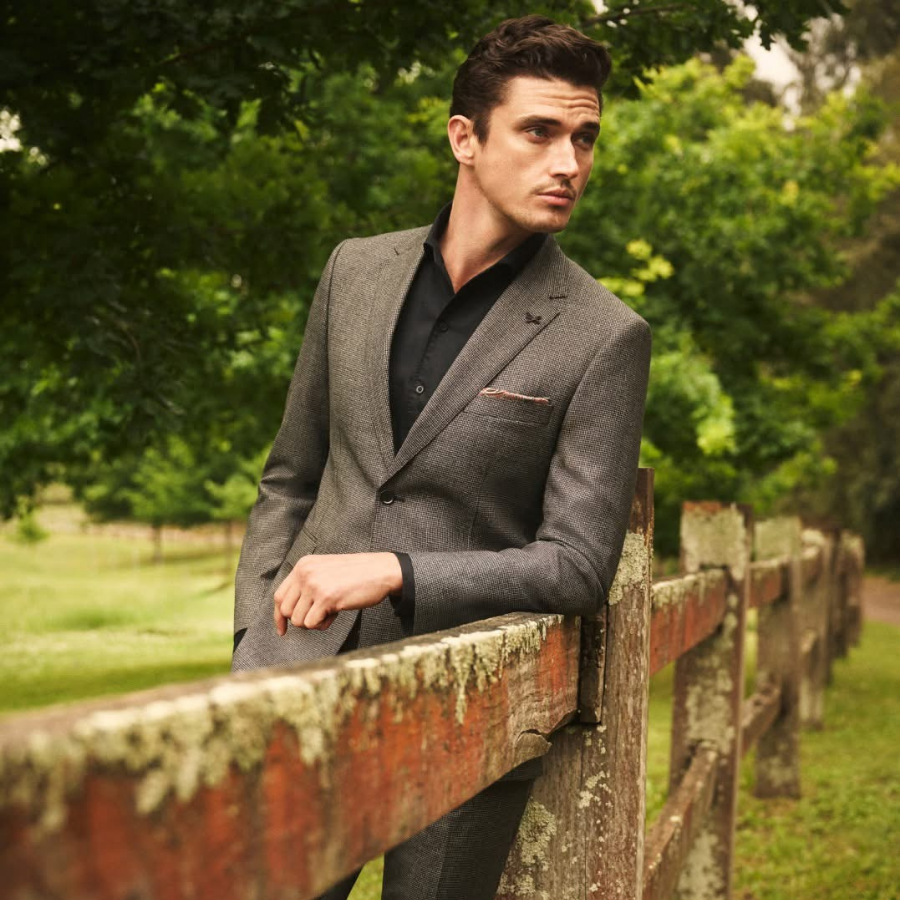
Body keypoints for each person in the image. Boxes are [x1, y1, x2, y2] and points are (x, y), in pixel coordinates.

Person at [231, 14, 651, 900]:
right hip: (297, 689)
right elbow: (290, 475)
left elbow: (577, 564)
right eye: (540, 131)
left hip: (472, 706)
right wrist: (254, 639)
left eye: (585, 137)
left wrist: (394, 569)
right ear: (465, 137)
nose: (569, 162)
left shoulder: (605, 336)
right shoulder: (355, 272)